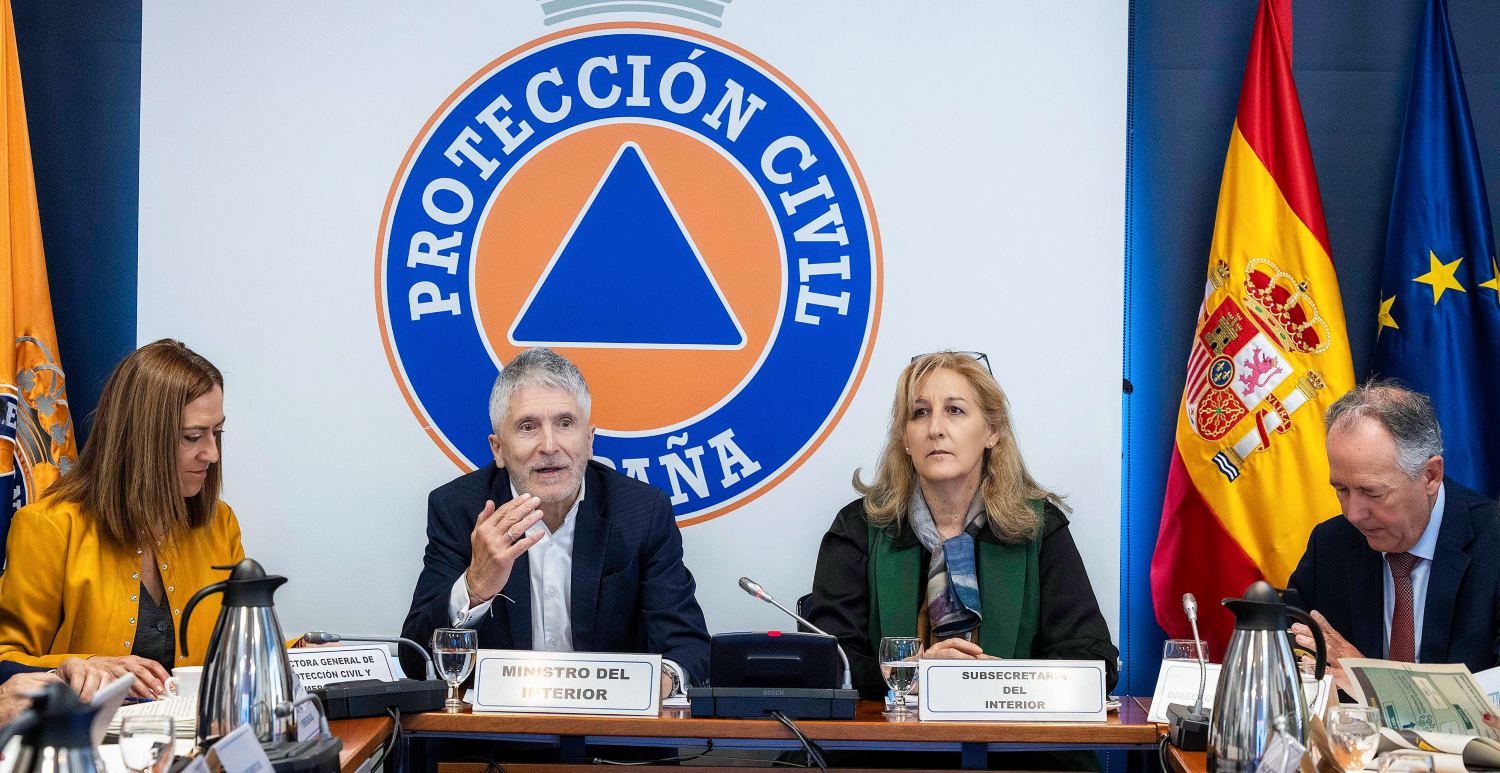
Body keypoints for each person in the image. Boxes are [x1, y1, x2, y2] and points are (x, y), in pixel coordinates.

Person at [807, 352, 1119, 700]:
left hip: (1010, 734)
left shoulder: (1039, 527)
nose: (935, 429)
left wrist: (1002, 682)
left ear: (992, 431)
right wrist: (916, 674)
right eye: (920, 413)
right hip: (894, 733)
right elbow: (825, 662)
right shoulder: (859, 528)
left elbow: (1095, 662)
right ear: (905, 438)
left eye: (954, 410)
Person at [400, 348, 710, 693]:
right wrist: (475, 588)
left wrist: (654, 685)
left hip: (608, 722)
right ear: (498, 449)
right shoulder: (459, 509)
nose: (549, 445)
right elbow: (415, 660)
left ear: (589, 441)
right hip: (496, 724)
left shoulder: (641, 512)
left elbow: (688, 647)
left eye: (565, 424)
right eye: (528, 427)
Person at [0, 340, 243, 700]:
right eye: (192, 437)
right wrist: (86, 665)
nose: (212, 453)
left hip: (197, 732)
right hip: (91, 733)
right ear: (142, 438)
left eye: (216, 432)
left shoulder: (220, 523)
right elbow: (5, 659)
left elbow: (239, 646)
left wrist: (306, 652)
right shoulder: (49, 528)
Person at [1288, 382, 1500, 693]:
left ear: (1430, 476)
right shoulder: (1331, 544)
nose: (1353, 514)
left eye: (1372, 492)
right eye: (1342, 490)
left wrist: (1369, 681)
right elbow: (1286, 655)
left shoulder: (1493, 543)